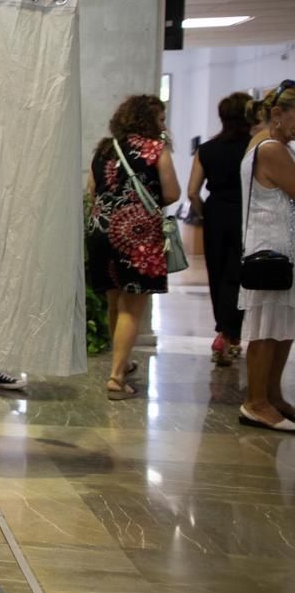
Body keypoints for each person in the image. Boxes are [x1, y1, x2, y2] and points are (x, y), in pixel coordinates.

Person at [86, 95, 180, 400]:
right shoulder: (156, 149)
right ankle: (115, 378)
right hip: (137, 234)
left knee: (115, 303)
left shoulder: (104, 149)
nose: (164, 125)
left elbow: (92, 190)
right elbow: (173, 192)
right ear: (147, 120)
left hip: (102, 232)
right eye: (161, 119)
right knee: (132, 307)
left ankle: (121, 364)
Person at [237, 83, 295, 431]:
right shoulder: (271, 148)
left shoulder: (272, 145)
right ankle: (256, 402)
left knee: (282, 327)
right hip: (271, 250)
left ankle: (272, 396)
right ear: (277, 114)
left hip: (280, 247)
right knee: (266, 328)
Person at [190, 91, 254, 366]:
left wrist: (206, 215)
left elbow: (193, 192)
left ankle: (222, 333)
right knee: (239, 276)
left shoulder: (206, 149)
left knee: (216, 276)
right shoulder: (256, 148)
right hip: (248, 213)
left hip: (216, 213)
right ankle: (232, 335)